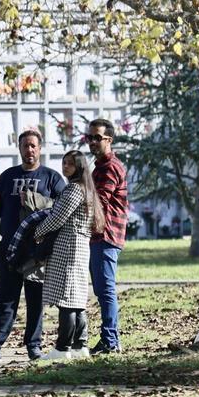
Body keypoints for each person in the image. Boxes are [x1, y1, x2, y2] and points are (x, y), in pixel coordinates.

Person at [0, 130, 66, 363]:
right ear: (19, 148)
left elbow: (64, 211)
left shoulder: (52, 178)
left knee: (35, 300)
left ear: (40, 148)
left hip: (37, 251)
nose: (29, 150)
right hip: (9, 248)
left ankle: (34, 347)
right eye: (25, 146)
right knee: (6, 298)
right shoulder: (8, 176)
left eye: (33, 145)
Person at [32, 151, 106, 360]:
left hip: (68, 245)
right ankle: (79, 346)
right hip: (80, 246)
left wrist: (37, 232)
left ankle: (62, 348)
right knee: (76, 298)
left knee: (67, 298)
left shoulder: (74, 189)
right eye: (64, 163)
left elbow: (57, 218)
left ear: (79, 167)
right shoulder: (87, 189)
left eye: (70, 164)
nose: (65, 167)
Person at [86, 118, 129, 354]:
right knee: (102, 290)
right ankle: (109, 339)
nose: (92, 142)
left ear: (109, 140)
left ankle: (111, 341)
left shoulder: (109, 167)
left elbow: (98, 202)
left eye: (97, 138)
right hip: (99, 236)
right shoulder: (100, 166)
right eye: (89, 137)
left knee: (106, 290)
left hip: (106, 235)